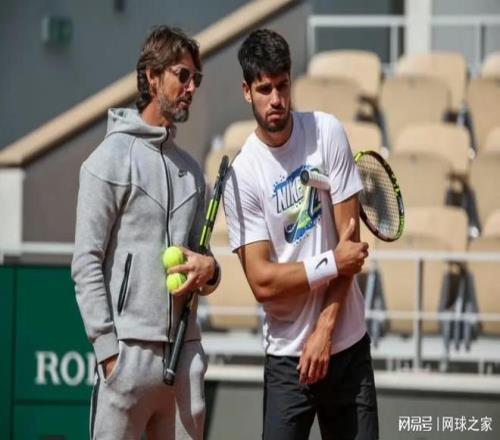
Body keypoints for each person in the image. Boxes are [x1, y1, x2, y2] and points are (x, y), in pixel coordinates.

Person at [223, 29, 379, 439]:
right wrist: (331, 262)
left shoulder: (327, 132)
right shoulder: (243, 175)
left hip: (347, 350)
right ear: (246, 91)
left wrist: (325, 331)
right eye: (264, 89)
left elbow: (350, 247)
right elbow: (262, 281)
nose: (276, 99)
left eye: (283, 85)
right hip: (287, 361)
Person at [71, 26, 220, 440]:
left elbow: (202, 262)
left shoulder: (192, 172)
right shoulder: (107, 161)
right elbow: (85, 263)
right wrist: (109, 354)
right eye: (182, 75)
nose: (191, 87)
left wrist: (210, 270)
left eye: (196, 78)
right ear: (152, 77)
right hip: (126, 361)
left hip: (184, 361)